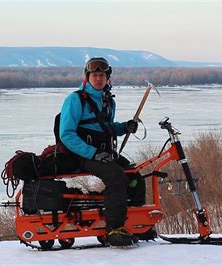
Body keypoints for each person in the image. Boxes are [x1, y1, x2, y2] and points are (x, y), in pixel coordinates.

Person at [58, 57, 139, 246]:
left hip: (103, 153)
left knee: (135, 176)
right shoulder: (75, 99)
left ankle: (137, 223)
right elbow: (67, 135)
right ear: (87, 77)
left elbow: (106, 127)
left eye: (101, 75)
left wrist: (124, 127)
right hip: (80, 155)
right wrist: (92, 153)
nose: (98, 79)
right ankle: (114, 229)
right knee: (116, 176)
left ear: (107, 77)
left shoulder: (108, 101)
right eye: (94, 75)